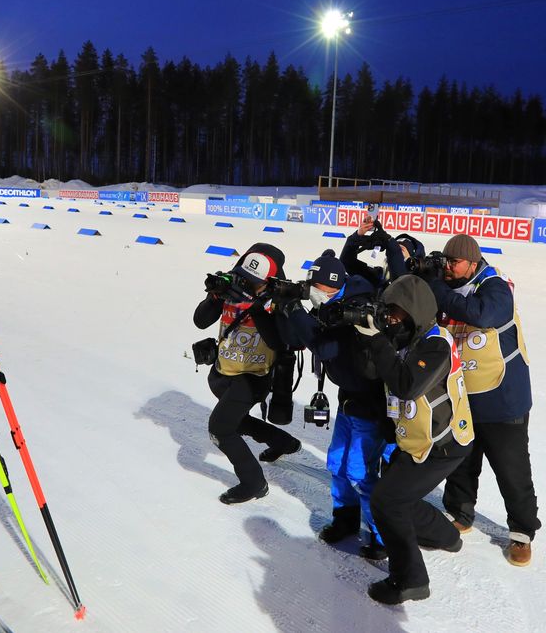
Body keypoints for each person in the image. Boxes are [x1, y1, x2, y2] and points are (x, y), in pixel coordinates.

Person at [353, 275, 474, 604]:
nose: (389, 319)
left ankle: (410, 580)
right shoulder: (404, 338)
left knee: (386, 501)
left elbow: (407, 384)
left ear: (414, 311)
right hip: (419, 441)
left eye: (394, 312)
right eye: (387, 312)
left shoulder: (435, 344)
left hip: (443, 443)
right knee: (399, 496)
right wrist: (373, 338)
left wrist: (378, 340)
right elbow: (373, 373)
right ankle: (446, 536)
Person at [427, 233, 539, 567]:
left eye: (454, 262)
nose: (447, 268)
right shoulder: (451, 286)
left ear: (473, 263)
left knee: (511, 469)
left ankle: (522, 532)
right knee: (462, 460)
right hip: (464, 397)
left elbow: (483, 315)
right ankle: (460, 512)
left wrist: (439, 290)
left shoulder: (495, 286)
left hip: (502, 398)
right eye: (445, 261)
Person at [274, 250, 388, 558]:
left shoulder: (356, 308)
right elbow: (302, 338)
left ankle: (382, 535)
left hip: (370, 404)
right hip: (349, 399)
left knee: (359, 472)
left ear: (332, 285)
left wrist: (297, 311)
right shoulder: (332, 302)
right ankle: (346, 520)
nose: (312, 291)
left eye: (316, 286)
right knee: (336, 463)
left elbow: (325, 348)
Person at [192, 243, 301, 505]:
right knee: (236, 421)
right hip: (223, 371)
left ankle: (253, 483)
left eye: (256, 282)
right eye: (246, 277)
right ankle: (283, 442)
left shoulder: (277, 300)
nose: (248, 284)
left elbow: (280, 341)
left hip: (253, 377)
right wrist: (215, 296)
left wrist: (255, 306)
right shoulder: (231, 288)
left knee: (220, 429)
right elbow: (200, 320)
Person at [340, 213, 423, 289]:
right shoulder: (378, 277)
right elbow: (347, 263)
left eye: (400, 250)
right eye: (393, 249)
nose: (396, 252)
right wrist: (357, 237)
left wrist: (390, 242)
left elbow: (399, 278)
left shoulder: (416, 285)